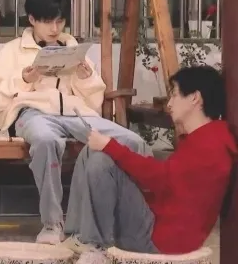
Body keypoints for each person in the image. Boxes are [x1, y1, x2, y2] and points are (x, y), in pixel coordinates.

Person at [0, 0, 151, 245]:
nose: (54, 28)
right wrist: (24, 80)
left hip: (74, 112)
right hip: (33, 113)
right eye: (47, 21)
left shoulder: (72, 47)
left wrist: (85, 78)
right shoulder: (13, 51)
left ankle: (135, 221)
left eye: (60, 21)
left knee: (131, 140)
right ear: (32, 19)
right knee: (46, 141)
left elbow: (93, 101)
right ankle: (52, 224)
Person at [62, 65, 237, 264]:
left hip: (162, 242)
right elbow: (170, 187)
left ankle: (95, 246)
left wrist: (111, 147)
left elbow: (160, 178)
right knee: (93, 151)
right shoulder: (206, 138)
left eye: (175, 95)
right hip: (160, 228)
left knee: (102, 161)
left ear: (195, 98)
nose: (169, 104)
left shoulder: (210, 145)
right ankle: (78, 236)